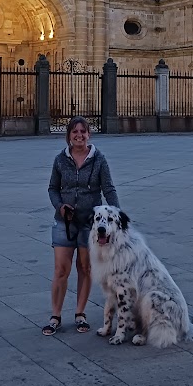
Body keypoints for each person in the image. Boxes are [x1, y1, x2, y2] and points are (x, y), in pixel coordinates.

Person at [42, 116, 120, 336]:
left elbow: (109, 189)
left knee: (85, 268)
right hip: (64, 221)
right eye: (75, 132)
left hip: (90, 224)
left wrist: (117, 215)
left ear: (89, 135)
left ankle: (80, 313)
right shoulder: (60, 160)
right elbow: (52, 188)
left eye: (83, 132)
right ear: (68, 136)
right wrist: (60, 207)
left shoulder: (99, 160)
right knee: (60, 269)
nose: (79, 135)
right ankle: (55, 315)